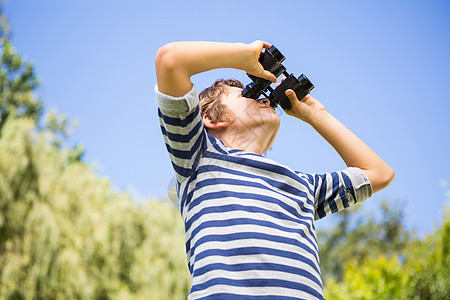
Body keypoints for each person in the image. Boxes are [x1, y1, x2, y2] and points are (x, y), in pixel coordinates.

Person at [155, 40, 394, 300]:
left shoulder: (301, 185)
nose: (262, 98)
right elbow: (171, 60)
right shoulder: (199, 157)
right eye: (248, 94)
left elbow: (379, 173)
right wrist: (244, 57)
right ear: (211, 119)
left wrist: (318, 115)